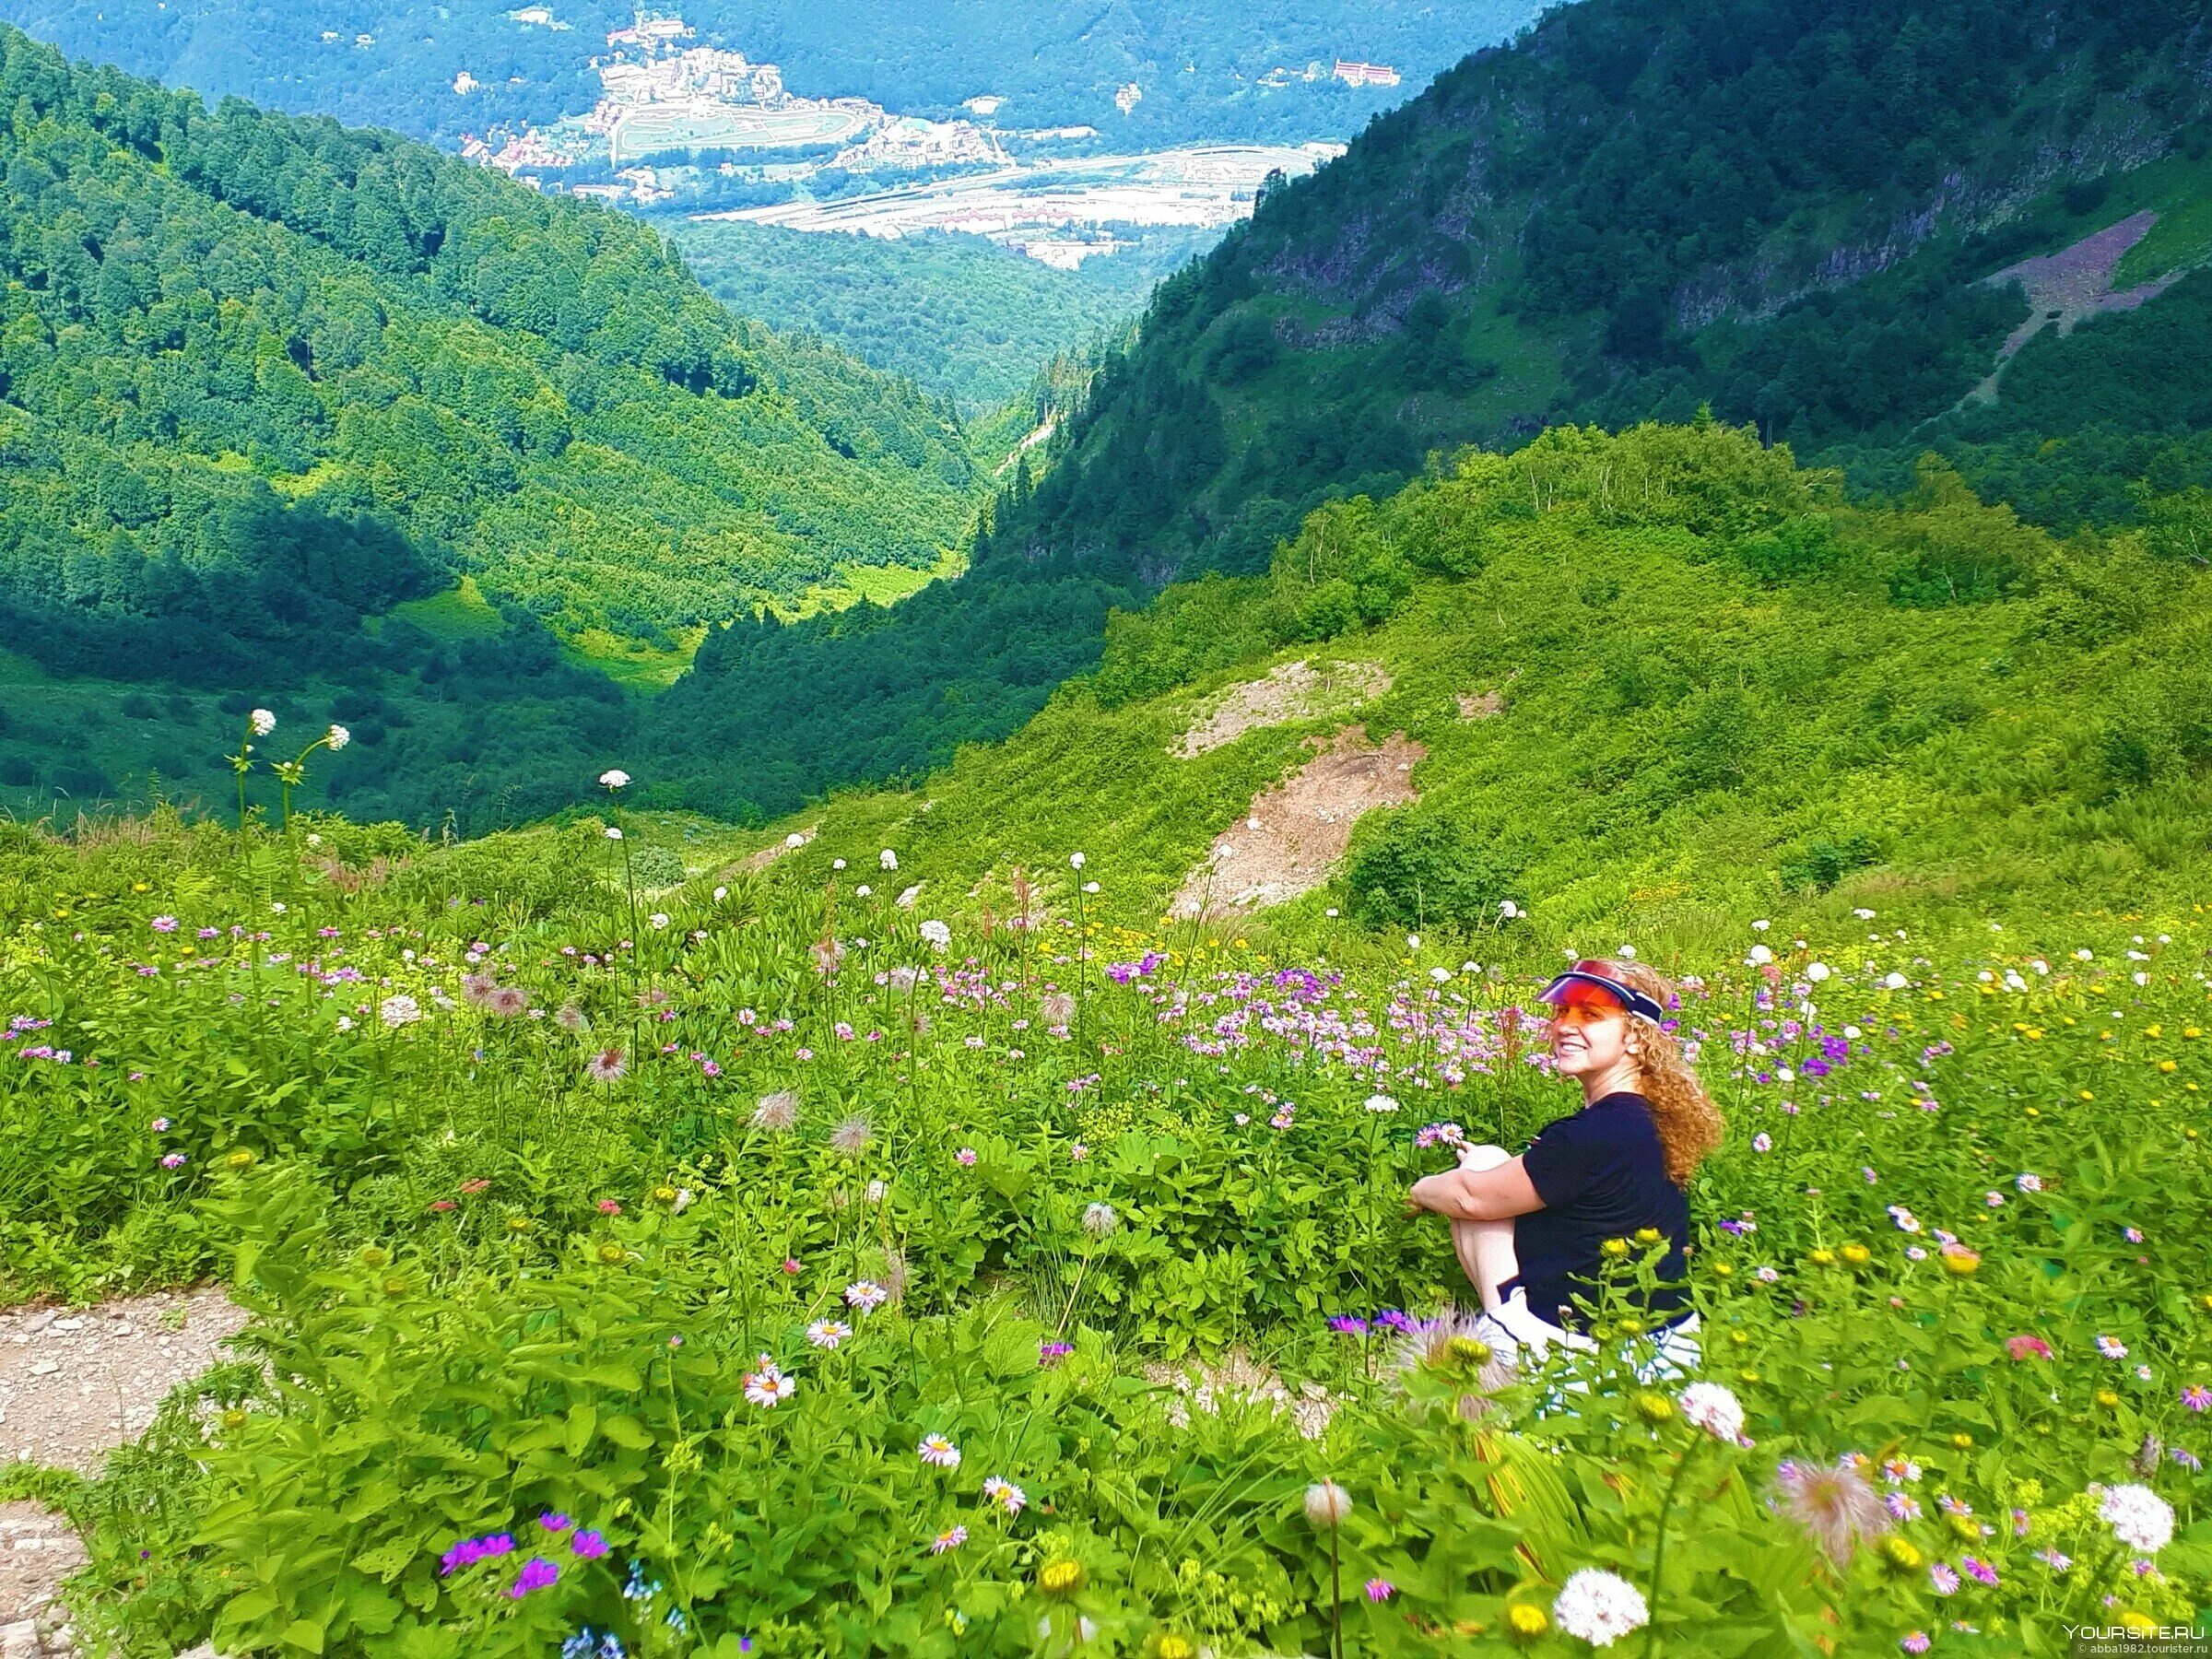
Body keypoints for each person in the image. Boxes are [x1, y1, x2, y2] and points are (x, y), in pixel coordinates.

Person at [1406, 957, 1723, 1369]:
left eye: (1590, 1015)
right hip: (1666, 1345)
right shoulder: (1649, 1118)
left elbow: (1471, 1199)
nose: (1564, 1026)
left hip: (1580, 1354)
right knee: (1488, 1161)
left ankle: (1506, 1343)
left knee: (1478, 1174)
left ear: (1635, 1038)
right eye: (1561, 1012)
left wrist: (1422, 1188)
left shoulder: (1596, 1131)